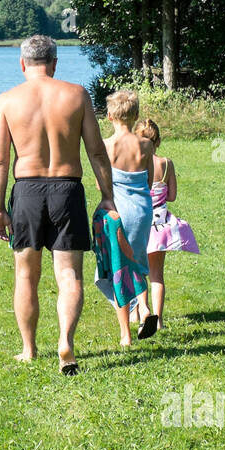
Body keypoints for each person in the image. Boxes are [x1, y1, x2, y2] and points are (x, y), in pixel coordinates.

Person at [0, 35, 115, 375]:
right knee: (69, 275)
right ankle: (66, 343)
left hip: (27, 191)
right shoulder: (76, 95)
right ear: (55, 63)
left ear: (22, 63)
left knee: (26, 276)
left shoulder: (6, 101)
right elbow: (97, 151)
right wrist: (108, 196)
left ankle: (29, 349)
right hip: (68, 189)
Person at [95, 90, 157, 345]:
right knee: (138, 261)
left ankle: (125, 334)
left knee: (118, 268)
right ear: (136, 116)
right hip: (142, 210)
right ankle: (144, 308)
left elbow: (102, 187)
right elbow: (150, 180)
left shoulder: (106, 147)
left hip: (117, 212)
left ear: (109, 116)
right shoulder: (146, 145)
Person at [134, 119, 200, 332]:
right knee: (157, 274)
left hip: (140, 223)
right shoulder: (166, 164)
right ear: (158, 141)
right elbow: (171, 196)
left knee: (138, 271)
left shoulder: (135, 163)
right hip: (160, 226)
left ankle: (140, 314)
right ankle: (159, 319)